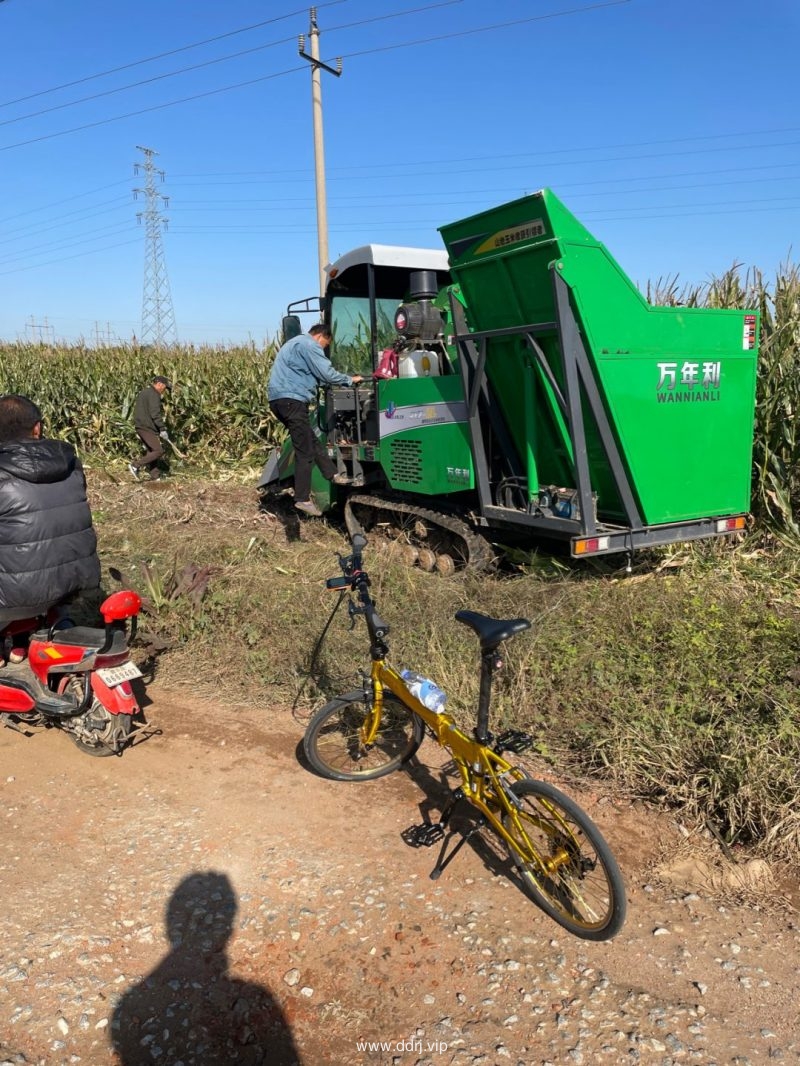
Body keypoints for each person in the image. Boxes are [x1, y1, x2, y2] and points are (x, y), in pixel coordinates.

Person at [0, 394, 100, 661]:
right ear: (37, 428)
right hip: (74, 582)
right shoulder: (70, 464)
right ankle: (22, 640)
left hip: (17, 594)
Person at [267, 324, 363, 516]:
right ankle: (302, 498)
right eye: (325, 345)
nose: (323, 349)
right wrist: (350, 380)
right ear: (320, 336)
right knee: (305, 450)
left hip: (278, 401)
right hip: (292, 400)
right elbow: (326, 373)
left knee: (309, 438)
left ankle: (333, 474)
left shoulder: (293, 344)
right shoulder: (309, 345)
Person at [129, 375, 172, 481]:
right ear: (159, 384)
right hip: (146, 427)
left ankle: (155, 476)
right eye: (165, 387)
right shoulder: (154, 394)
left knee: (151, 451)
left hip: (141, 426)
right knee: (158, 451)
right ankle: (135, 465)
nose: (164, 390)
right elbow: (155, 413)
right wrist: (162, 429)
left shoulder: (145, 392)